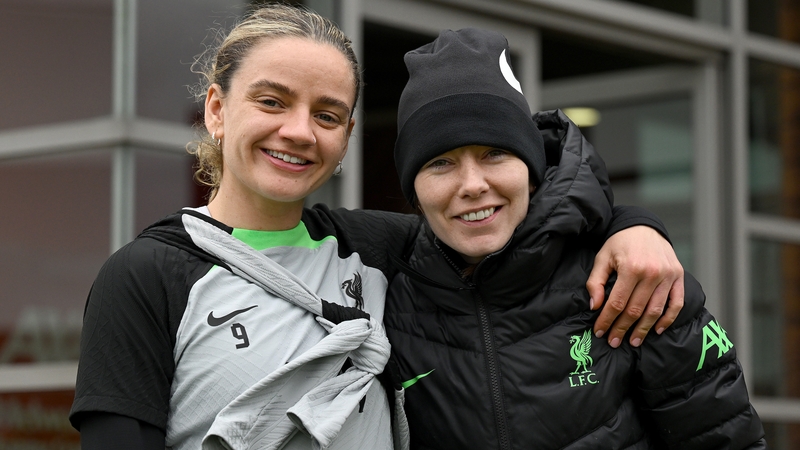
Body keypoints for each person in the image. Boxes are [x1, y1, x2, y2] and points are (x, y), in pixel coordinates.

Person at [69, 4, 684, 449]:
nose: (299, 131)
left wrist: (633, 227)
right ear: (216, 110)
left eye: (327, 114)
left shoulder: (379, 249)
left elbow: (520, 228)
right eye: (272, 101)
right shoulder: (146, 275)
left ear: (346, 140)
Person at [383, 27, 766, 449]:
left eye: (495, 153)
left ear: (532, 171)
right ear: (414, 191)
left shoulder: (636, 282)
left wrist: (636, 224)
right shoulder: (386, 301)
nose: (472, 184)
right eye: (440, 162)